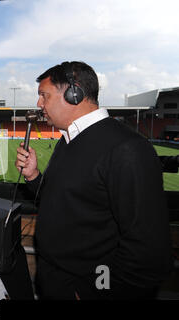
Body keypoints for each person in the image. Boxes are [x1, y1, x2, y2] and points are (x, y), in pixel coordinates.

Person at [15, 61, 172, 299]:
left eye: (44, 96)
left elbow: (149, 253)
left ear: (73, 93)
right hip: (54, 281)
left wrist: (95, 292)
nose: (39, 104)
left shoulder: (127, 149)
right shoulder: (68, 139)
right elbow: (64, 201)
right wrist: (34, 176)